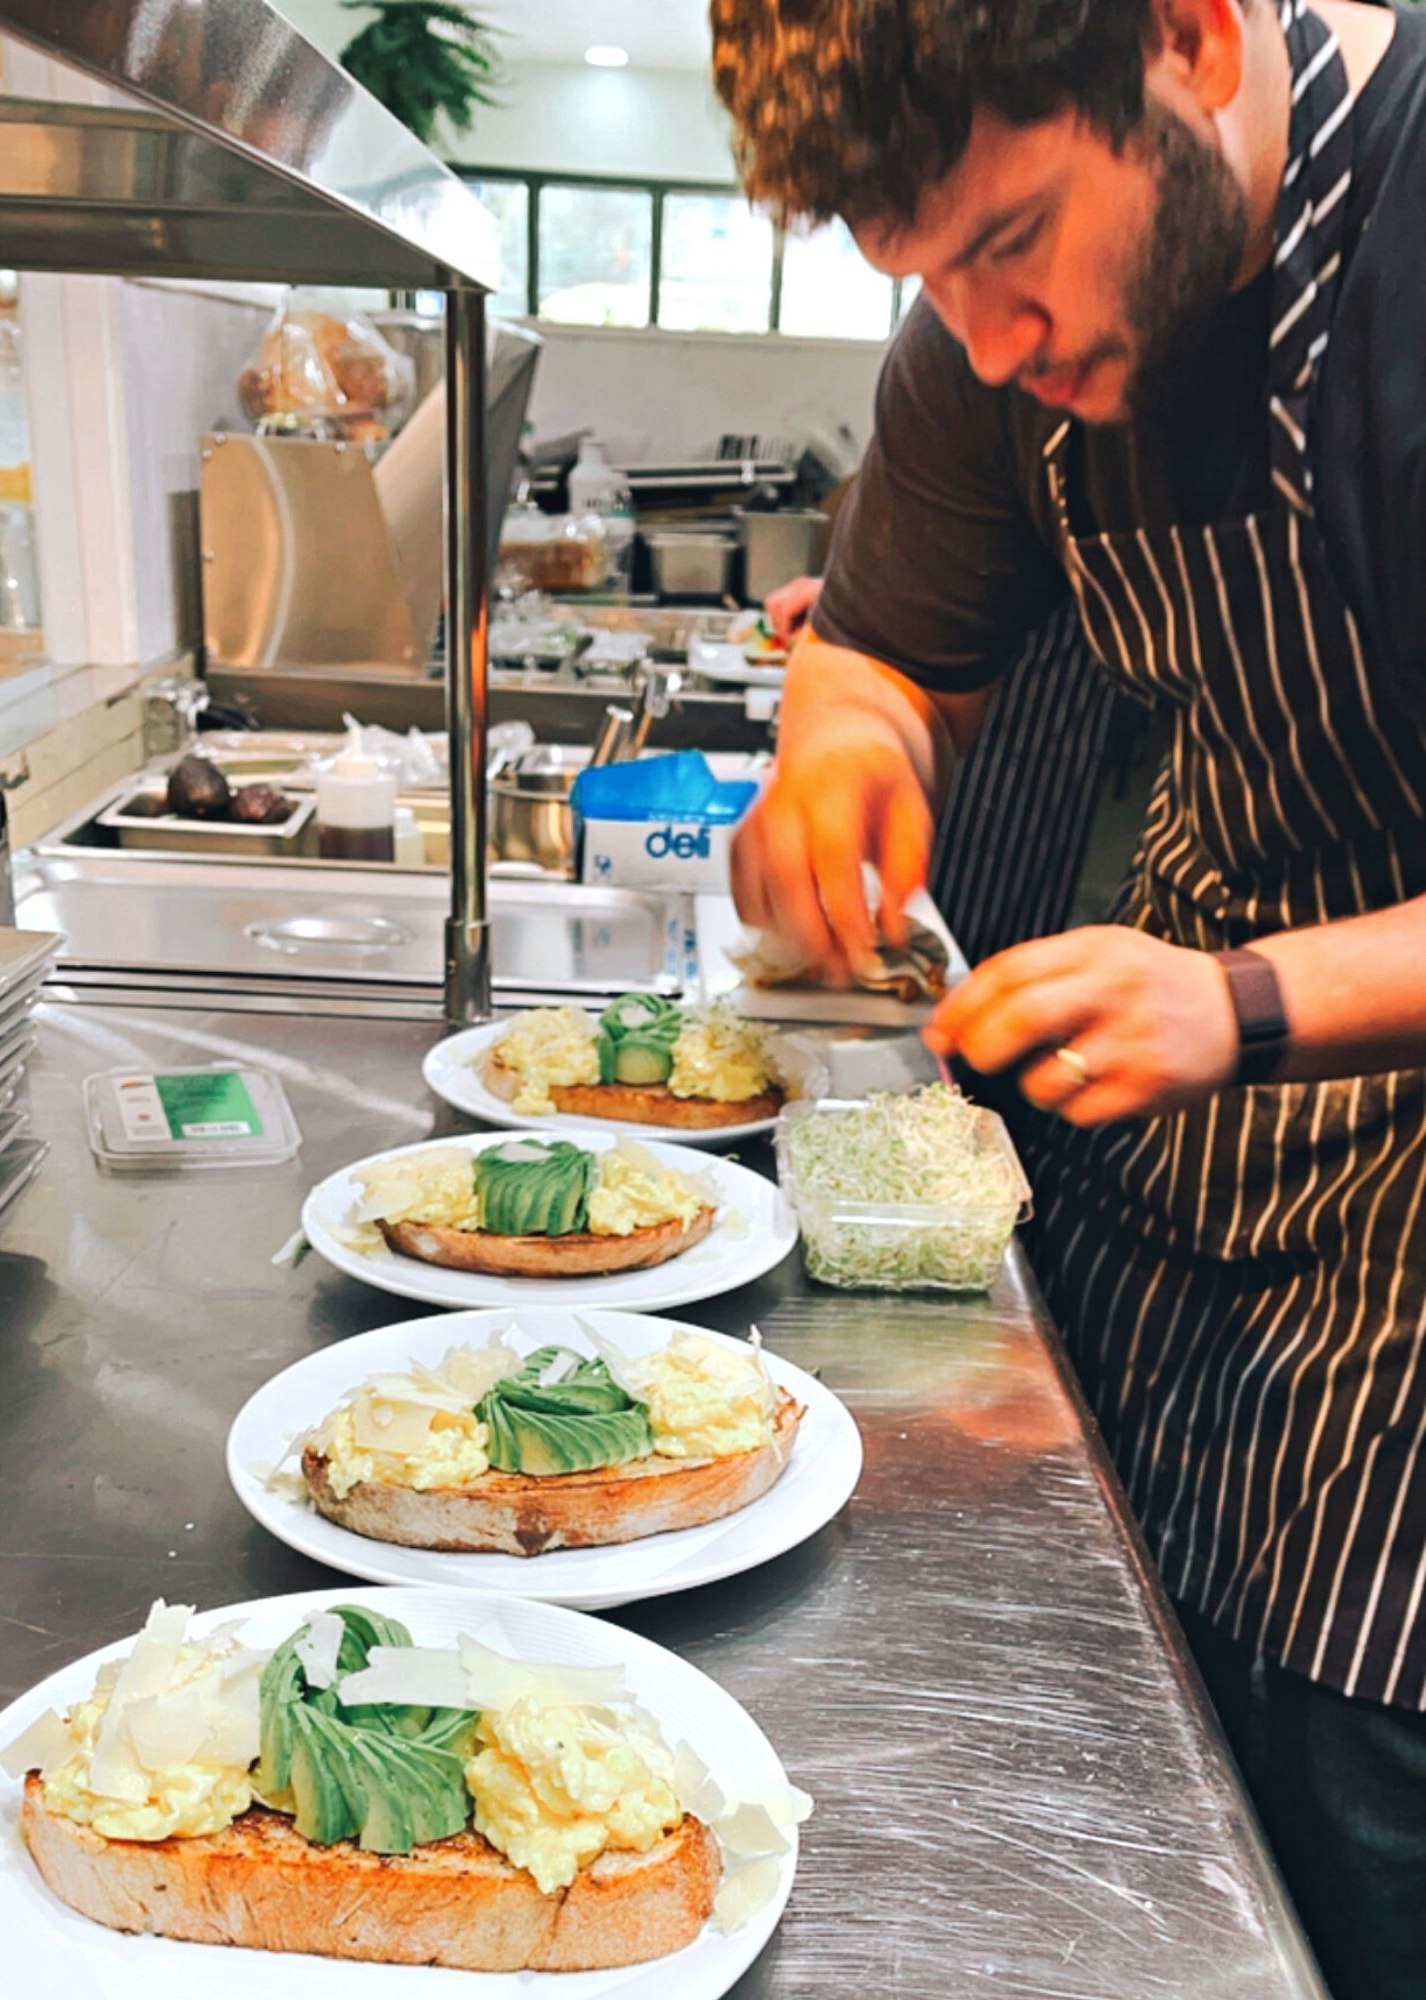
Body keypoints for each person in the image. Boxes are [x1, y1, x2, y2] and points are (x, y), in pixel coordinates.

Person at [709, 4, 1426, 1996]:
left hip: (1399, 1278)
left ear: (1188, 41)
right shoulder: (981, 341)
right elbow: (876, 650)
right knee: (1147, 1773)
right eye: (935, 280)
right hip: (1183, 1161)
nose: (995, 338)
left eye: (1014, 242)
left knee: (1362, 1816)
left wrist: (1249, 1002)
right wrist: (844, 757)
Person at [766, 575, 1136, 963]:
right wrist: (865, 591)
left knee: (976, 926)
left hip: (1034, 672)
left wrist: (890, 595)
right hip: (944, 619)